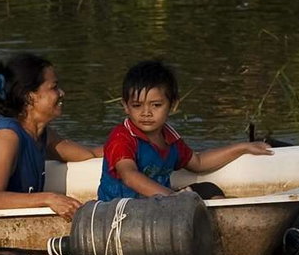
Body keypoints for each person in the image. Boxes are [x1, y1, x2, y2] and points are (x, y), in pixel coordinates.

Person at [0, 53, 102, 220]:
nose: (62, 93)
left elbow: (89, 154)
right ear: (29, 96)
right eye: (54, 87)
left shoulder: (42, 134)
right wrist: (49, 199)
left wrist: (128, 143)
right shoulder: (7, 137)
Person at [98, 60, 273, 201]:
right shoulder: (122, 137)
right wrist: (173, 197)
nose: (146, 113)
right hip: (120, 211)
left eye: (156, 105)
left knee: (208, 189)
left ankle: (222, 230)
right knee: (186, 201)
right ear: (126, 106)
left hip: (158, 204)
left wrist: (242, 148)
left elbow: (198, 162)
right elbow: (129, 175)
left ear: (173, 105)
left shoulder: (170, 139)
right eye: (137, 105)